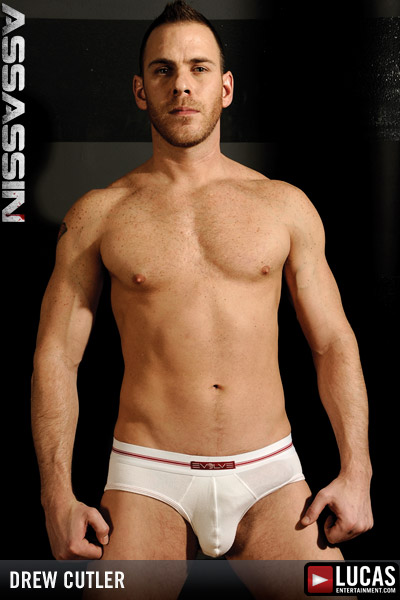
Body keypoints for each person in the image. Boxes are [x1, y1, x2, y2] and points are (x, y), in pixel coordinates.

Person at [31, 0, 373, 570]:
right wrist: (55, 498)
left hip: (270, 475)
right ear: (140, 90)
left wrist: (358, 470)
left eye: (199, 68)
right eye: (163, 70)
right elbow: (56, 357)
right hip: (148, 476)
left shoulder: (284, 205)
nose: (181, 85)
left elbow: (333, 341)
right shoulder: (98, 215)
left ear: (226, 87)